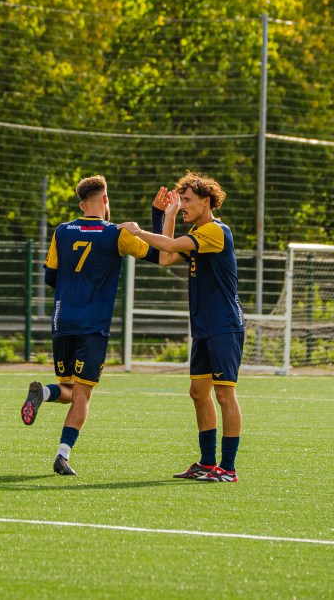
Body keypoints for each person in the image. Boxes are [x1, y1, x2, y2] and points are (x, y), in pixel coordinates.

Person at [21, 175, 159, 476]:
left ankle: (44, 393)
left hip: (63, 321)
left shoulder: (62, 231)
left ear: (82, 205)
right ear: (105, 200)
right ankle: (62, 455)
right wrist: (158, 216)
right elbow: (161, 254)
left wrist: (74, 284)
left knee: (70, 389)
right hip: (93, 325)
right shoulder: (117, 234)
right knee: (83, 394)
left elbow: (50, 276)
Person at [120, 171, 244, 483]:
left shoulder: (216, 231)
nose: (184, 204)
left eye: (187, 200)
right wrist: (163, 214)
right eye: (182, 200)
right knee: (198, 392)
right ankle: (207, 463)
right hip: (204, 326)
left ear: (206, 201)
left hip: (224, 325)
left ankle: (228, 469)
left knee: (224, 395)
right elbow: (165, 258)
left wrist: (139, 230)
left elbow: (171, 243)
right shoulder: (197, 235)